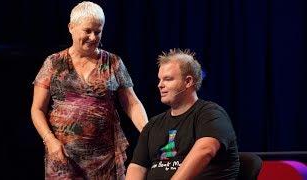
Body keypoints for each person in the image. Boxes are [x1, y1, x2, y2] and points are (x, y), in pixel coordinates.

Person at [30, 1, 148, 179]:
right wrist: (50, 141)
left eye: (98, 31)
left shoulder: (113, 63)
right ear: (71, 27)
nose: (93, 37)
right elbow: (37, 109)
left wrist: (148, 134)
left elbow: (131, 103)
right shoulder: (53, 63)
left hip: (104, 160)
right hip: (63, 157)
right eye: (87, 31)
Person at [126, 49, 239, 180]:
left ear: (188, 81)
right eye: (160, 79)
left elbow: (205, 150)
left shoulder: (211, 114)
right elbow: (137, 167)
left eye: (167, 79)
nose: (160, 85)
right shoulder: (153, 124)